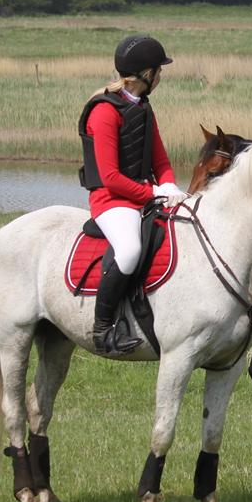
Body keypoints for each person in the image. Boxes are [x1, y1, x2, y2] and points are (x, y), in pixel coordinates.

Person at [79, 35, 187, 355]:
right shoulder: (104, 112)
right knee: (128, 250)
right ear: (145, 74)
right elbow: (111, 178)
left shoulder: (142, 107)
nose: (160, 77)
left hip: (143, 196)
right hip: (111, 201)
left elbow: (161, 161)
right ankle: (103, 329)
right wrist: (153, 192)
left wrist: (170, 187)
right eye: (158, 71)